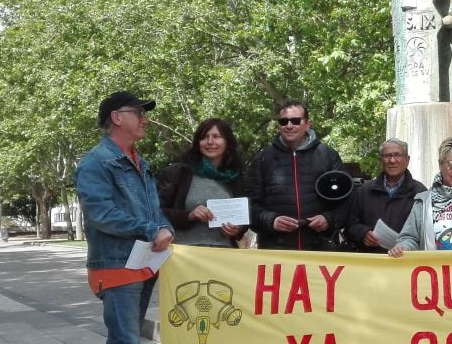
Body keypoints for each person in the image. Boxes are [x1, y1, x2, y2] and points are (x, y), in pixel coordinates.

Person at [74, 90, 177, 344]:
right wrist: (152, 230)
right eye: (139, 113)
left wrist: (164, 227)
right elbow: (101, 214)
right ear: (117, 118)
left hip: (142, 264)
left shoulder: (138, 160)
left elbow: (155, 208)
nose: (145, 119)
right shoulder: (96, 163)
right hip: (116, 268)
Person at [246, 99, 348, 250]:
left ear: (307, 124)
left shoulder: (327, 155)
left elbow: (347, 199)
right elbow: (249, 205)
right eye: (283, 121)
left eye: (295, 121)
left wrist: (329, 220)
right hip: (276, 250)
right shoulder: (262, 159)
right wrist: (271, 221)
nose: (289, 126)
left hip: (320, 249)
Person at [158, 118, 247, 247]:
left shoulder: (237, 178)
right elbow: (156, 212)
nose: (210, 142)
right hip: (182, 255)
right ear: (197, 143)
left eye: (216, 136)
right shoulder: (178, 173)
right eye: (204, 137)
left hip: (224, 256)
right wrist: (189, 215)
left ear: (227, 142)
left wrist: (237, 229)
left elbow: (245, 218)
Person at [344, 138, 426, 253]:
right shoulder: (364, 191)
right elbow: (349, 225)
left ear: (407, 159)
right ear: (381, 160)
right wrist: (363, 233)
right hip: (371, 262)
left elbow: (425, 231)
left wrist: (406, 244)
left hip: (404, 263)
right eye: (387, 156)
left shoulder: (420, 192)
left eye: (397, 155)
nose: (392, 160)